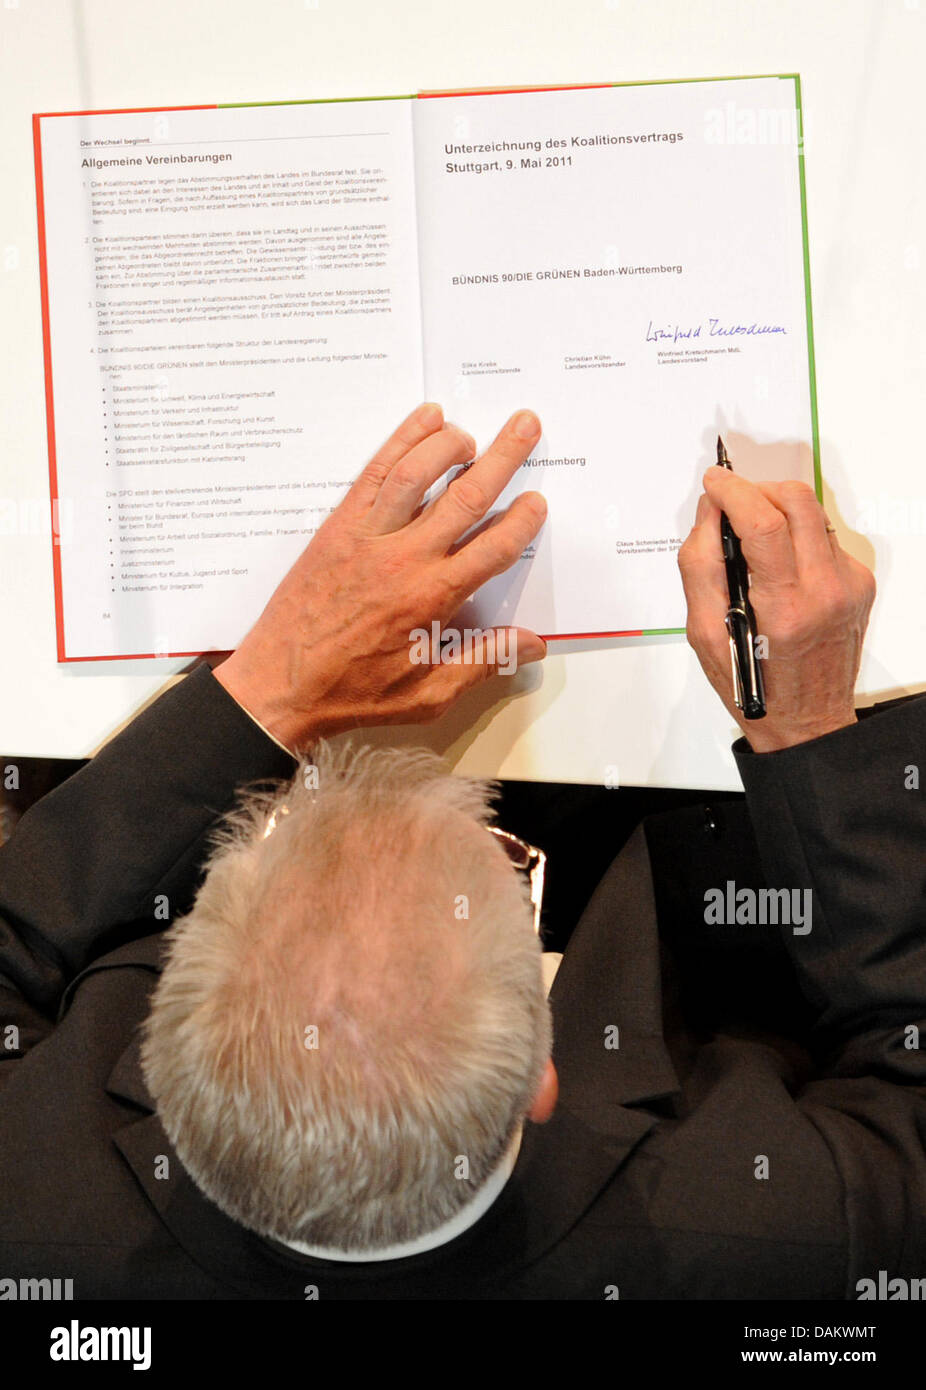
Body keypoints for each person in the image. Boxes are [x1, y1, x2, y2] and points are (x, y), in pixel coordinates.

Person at [0, 402, 922, 1300]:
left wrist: (270, 688)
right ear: (542, 1072)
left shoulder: (26, 1200)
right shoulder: (785, 1235)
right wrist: (807, 727)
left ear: (159, 1039)